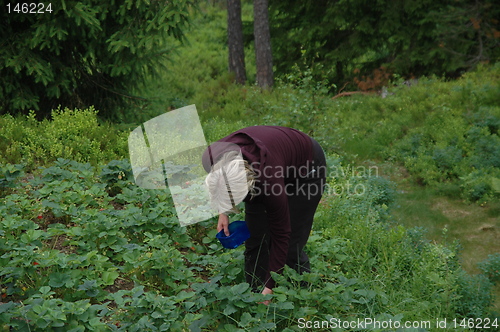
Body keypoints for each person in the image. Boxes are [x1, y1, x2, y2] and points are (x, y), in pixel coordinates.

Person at [202, 126, 326, 299]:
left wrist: (270, 286)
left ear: (249, 185)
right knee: (256, 238)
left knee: (290, 244)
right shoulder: (210, 159)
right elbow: (219, 185)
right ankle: (253, 292)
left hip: (306, 168)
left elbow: (282, 233)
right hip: (271, 161)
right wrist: (223, 211)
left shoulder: (268, 181)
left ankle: (303, 294)